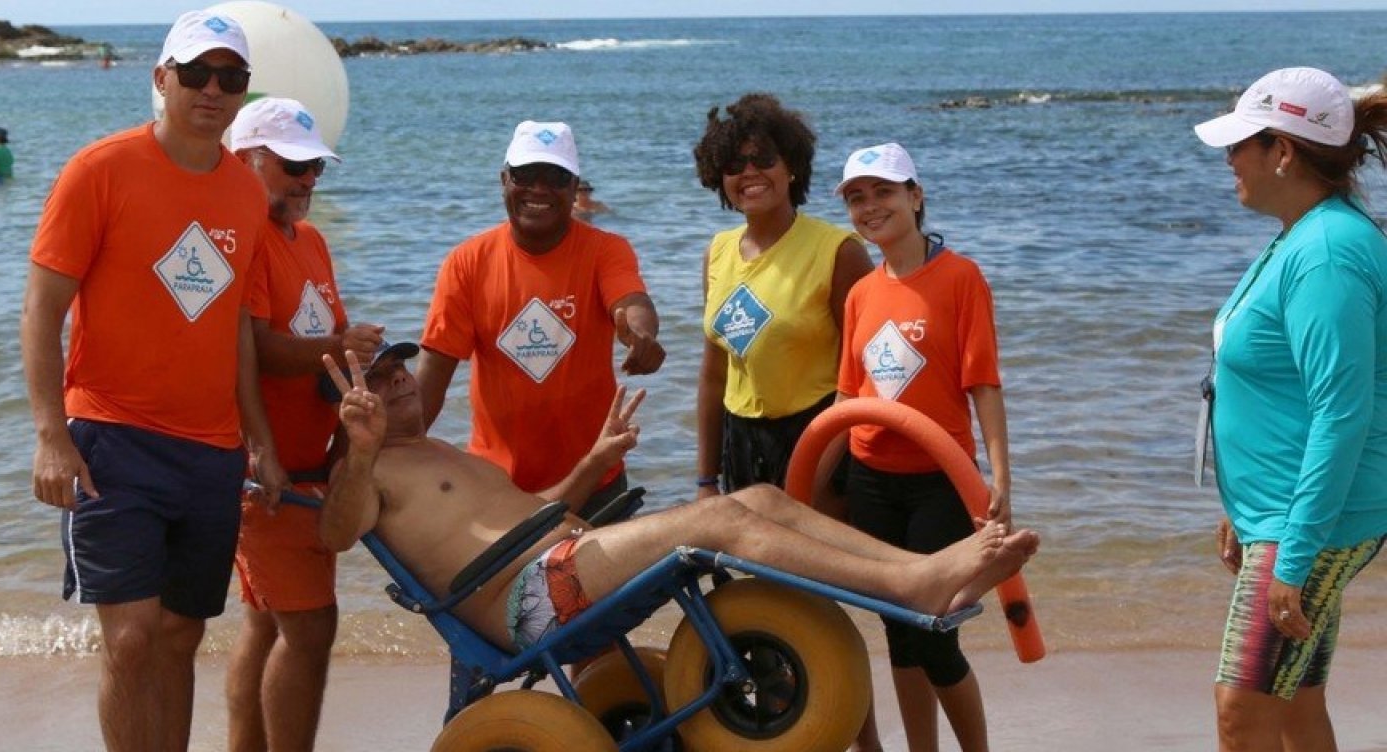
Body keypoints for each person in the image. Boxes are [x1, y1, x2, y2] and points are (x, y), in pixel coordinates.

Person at [317, 345, 1039, 657]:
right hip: (533, 599)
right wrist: (360, 446)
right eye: (377, 380)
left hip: (563, 558)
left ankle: (926, 572)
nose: (402, 381)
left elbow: (524, 509)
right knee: (721, 519)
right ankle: (916, 584)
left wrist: (591, 465)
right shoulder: (369, 466)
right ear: (351, 407)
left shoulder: (440, 453)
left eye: (400, 368)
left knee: (756, 493)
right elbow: (337, 534)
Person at [18, 11, 284, 752]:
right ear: (160, 78)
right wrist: (50, 435)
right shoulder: (99, 169)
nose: (212, 90)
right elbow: (42, 308)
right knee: (132, 638)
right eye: (195, 73)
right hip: (111, 435)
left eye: (230, 78)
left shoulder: (245, 194)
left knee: (179, 636)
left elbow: (233, 325)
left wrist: (258, 440)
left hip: (209, 450)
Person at [1193, 67, 1387, 751]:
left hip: (1312, 525)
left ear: (1282, 151)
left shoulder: (1329, 251)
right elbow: (1280, 394)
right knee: (1297, 702)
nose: (1228, 160)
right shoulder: (1301, 234)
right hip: (1282, 512)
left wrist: (1292, 556)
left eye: (1240, 144)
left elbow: (1342, 413)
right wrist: (1240, 507)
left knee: (1240, 712)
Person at [832, 142, 1010, 752]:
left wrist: (999, 478)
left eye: (883, 191)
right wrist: (800, 485)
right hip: (870, 479)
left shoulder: (960, 276)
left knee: (934, 633)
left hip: (941, 479)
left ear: (915, 195)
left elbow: (982, 381)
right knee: (898, 633)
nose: (870, 206)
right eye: (857, 197)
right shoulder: (861, 292)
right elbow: (846, 397)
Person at [224, 96, 382, 752]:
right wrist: (343, 348)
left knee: (265, 623)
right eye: (293, 165)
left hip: (306, 465)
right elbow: (255, 347)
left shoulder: (310, 240)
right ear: (245, 160)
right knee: (309, 630)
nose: (308, 179)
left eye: (316, 167)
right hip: (266, 470)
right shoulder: (249, 238)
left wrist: (359, 355)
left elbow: (320, 339)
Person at [417, 120, 665, 520]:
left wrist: (641, 335)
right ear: (504, 179)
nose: (538, 188)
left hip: (596, 481)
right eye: (525, 175)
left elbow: (633, 302)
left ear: (574, 187)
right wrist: (394, 453)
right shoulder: (466, 262)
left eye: (555, 176)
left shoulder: (606, 250)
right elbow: (433, 373)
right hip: (496, 486)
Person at [690, 93, 873, 502]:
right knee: (750, 566)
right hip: (740, 444)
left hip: (820, 435)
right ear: (719, 177)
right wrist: (706, 480)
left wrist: (815, 470)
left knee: (822, 565)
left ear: (791, 166)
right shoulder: (716, 252)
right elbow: (714, 374)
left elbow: (866, 376)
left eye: (764, 159)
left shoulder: (839, 251)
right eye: (735, 165)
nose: (750, 172)